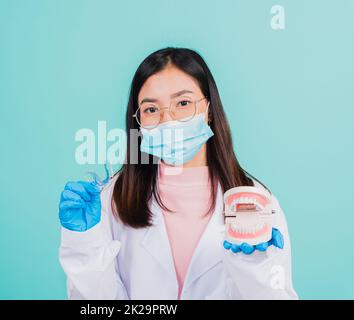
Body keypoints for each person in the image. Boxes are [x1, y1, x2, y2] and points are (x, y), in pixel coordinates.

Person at [58, 47, 298, 299]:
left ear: (209, 110)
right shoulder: (113, 198)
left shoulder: (255, 201)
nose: (167, 120)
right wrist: (83, 244)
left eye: (183, 103)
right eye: (151, 109)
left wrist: (255, 268)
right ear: (137, 121)